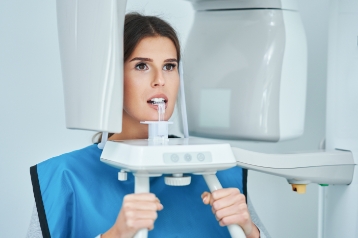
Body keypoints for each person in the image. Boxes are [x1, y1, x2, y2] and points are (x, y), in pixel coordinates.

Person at [27, 13, 269, 238]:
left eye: (169, 66)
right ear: (110, 79)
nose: (160, 80)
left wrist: (250, 230)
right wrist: (114, 235)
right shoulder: (64, 178)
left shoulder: (221, 171)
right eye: (142, 66)